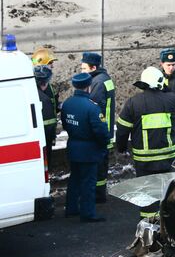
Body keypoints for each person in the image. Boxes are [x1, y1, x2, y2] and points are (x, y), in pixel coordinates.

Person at [116, 67, 175, 218]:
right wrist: (165, 89)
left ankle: (149, 225)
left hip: (144, 161)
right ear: (160, 82)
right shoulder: (172, 100)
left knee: (147, 194)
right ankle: (169, 223)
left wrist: (121, 148)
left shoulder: (133, 103)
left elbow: (122, 130)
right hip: (168, 158)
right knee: (167, 191)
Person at [62, 73, 110, 222]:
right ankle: (87, 213)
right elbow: (100, 131)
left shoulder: (68, 103)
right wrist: (103, 146)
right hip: (89, 150)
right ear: (89, 87)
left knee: (74, 179)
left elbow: (65, 124)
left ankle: (71, 209)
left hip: (73, 146)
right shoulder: (92, 107)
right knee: (89, 182)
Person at [80, 52, 115, 203]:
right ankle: (99, 193)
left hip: (100, 131)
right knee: (101, 163)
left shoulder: (97, 83)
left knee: (98, 165)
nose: (82, 71)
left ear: (93, 67)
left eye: (84, 68)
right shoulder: (104, 79)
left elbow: (93, 108)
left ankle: (98, 195)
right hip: (105, 129)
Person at [34, 65, 57, 166]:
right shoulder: (44, 99)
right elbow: (49, 123)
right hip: (45, 136)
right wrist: (52, 136)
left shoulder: (34, 93)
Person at [31, 47, 60, 113]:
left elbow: (53, 107)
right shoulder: (30, 87)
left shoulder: (51, 88)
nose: (53, 66)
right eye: (50, 63)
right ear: (41, 66)